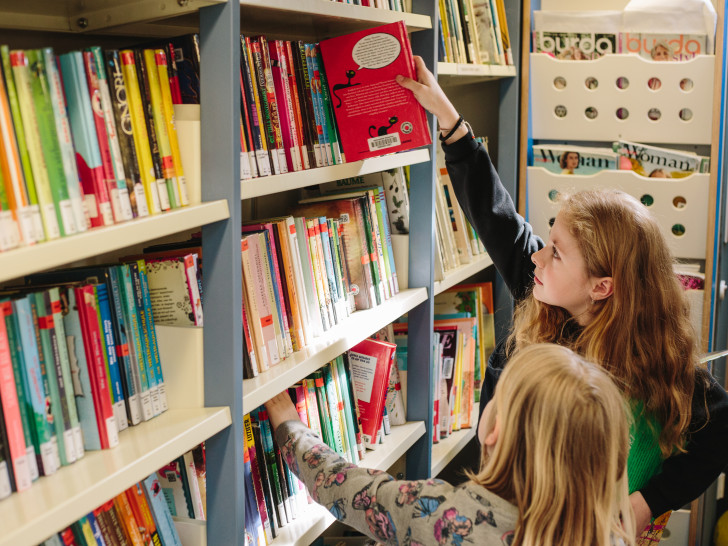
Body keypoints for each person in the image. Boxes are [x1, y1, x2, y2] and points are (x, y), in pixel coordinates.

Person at [395, 55, 728, 535]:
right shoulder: (550, 291)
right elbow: (500, 220)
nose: (537, 258)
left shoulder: (657, 358)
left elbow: (721, 428)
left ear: (602, 287)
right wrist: (450, 123)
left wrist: (646, 502)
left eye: (555, 252)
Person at [265, 344, 635, 546]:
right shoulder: (607, 536)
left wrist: (290, 426)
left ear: (495, 432)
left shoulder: (440, 514)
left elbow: (339, 485)